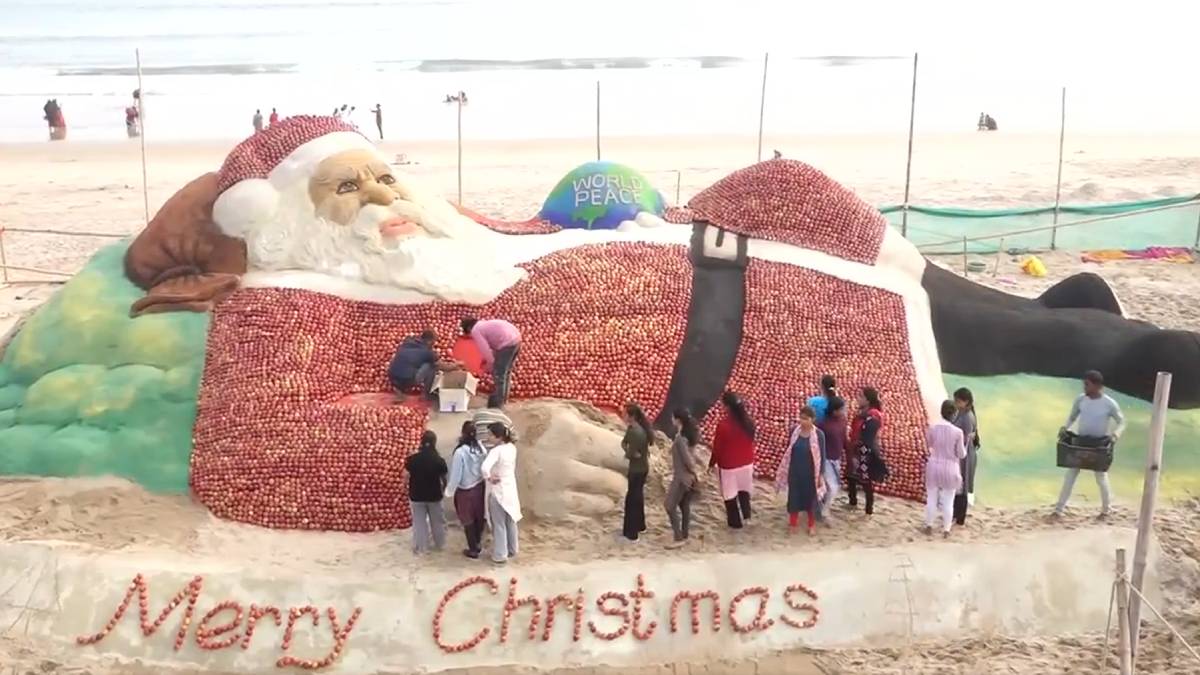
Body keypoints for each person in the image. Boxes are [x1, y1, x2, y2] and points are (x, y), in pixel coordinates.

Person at [1054, 370, 1125, 520]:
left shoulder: (1109, 403)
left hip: (1098, 445)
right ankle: (1059, 509)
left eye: (1087, 385)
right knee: (1071, 474)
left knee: (1101, 477)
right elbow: (1072, 417)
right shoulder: (1080, 400)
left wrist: (1115, 435)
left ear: (1097, 386)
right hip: (1081, 442)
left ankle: (1106, 510)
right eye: (1084, 384)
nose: (1084, 388)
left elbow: (1122, 422)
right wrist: (1065, 427)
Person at [777, 406, 826, 535]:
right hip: (795, 470)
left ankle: (811, 525)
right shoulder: (794, 431)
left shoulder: (819, 435)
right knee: (794, 497)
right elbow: (789, 450)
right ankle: (793, 524)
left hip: (811, 473)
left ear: (813, 420)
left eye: (806, 419)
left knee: (810, 499)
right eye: (801, 418)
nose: (803, 421)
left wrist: (821, 474)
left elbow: (822, 456)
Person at [710, 391, 755, 529]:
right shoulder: (748, 422)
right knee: (744, 489)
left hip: (729, 466)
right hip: (747, 462)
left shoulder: (723, 426)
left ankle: (735, 523)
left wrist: (711, 463)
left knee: (730, 495)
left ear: (727, 407)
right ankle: (747, 516)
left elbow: (717, 448)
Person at [445, 421, 488, 558]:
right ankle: (478, 542)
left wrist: (449, 491)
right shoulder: (481, 448)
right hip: (479, 486)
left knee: (467, 519)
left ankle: (473, 548)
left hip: (465, 490)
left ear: (463, 433)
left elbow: (456, 474)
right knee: (479, 516)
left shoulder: (460, 452)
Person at [924, 400, 967, 538]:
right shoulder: (958, 432)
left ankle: (929, 525)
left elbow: (929, 444)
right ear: (954, 414)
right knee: (948, 501)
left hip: (934, 466)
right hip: (950, 468)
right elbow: (961, 454)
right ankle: (946, 529)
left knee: (931, 499)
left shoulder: (932, 428)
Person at [481, 422, 521, 563]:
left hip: (498, 490)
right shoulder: (512, 448)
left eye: (490, 434)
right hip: (510, 487)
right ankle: (512, 548)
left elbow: (484, 467)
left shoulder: (496, 451)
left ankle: (500, 554)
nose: (488, 437)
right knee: (510, 520)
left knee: (498, 523)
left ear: (498, 437)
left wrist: (489, 477)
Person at [461, 317, 521, 408]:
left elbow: (485, 349)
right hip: (516, 339)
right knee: (506, 371)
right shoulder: (483, 324)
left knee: (499, 374)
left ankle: (499, 403)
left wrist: (491, 364)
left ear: (469, 328)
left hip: (507, 343)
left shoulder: (475, 330)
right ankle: (504, 399)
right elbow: (493, 344)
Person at [405, 430, 448, 554]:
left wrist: (405, 487)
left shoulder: (412, 459)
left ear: (421, 442)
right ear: (434, 443)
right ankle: (440, 544)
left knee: (419, 522)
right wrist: (443, 489)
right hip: (434, 495)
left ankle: (421, 547)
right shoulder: (439, 460)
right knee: (437, 522)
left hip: (416, 495)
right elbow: (443, 478)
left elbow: (406, 476)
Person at [665, 408, 702, 547]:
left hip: (681, 477)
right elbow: (692, 456)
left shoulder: (680, 439)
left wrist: (693, 471)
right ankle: (685, 534)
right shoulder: (687, 436)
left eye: (673, 417)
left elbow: (688, 460)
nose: (671, 420)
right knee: (684, 505)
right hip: (688, 477)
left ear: (677, 420)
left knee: (669, 505)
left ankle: (678, 537)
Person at [847, 387, 885, 515]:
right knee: (851, 476)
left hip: (865, 450)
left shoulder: (873, 415)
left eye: (861, 396)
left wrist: (861, 447)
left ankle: (869, 509)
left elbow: (869, 434)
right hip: (856, 449)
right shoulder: (863, 413)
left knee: (865, 479)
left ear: (868, 400)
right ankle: (852, 502)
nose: (858, 398)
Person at [387, 330, 456, 399]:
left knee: (406, 365)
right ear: (429, 341)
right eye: (434, 341)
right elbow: (442, 367)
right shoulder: (428, 352)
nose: (434, 344)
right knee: (431, 366)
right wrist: (456, 365)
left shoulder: (408, 342)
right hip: (408, 380)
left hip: (392, 377)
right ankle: (426, 394)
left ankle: (400, 390)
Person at [620, 402, 653, 541]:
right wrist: (629, 451)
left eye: (625, 413)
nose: (623, 415)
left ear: (631, 416)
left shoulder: (635, 432)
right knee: (638, 497)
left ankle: (631, 532)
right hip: (642, 467)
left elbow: (628, 451)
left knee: (632, 500)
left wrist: (628, 452)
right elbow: (624, 443)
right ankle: (641, 525)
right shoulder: (635, 429)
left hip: (636, 470)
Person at [951, 387, 979, 525]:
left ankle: (960, 516)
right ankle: (956, 513)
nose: (955, 403)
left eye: (958, 401)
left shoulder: (967, 417)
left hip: (965, 454)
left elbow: (966, 439)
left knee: (962, 485)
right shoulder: (959, 413)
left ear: (966, 402)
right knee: (958, 484)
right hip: (960, 452)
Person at [818, 396, 848, 517]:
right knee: (832, 487)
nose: (844, 411)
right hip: (825, 459)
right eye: (842, 409)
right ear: (834, 411)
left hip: (836, 459)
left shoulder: (842, 422)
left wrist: (849, 452)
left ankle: (820, 507)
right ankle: (824, 511)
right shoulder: (823, 425)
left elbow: (844, 439)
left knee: (829, 486)